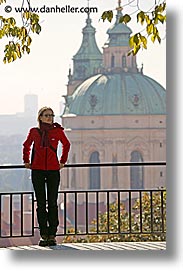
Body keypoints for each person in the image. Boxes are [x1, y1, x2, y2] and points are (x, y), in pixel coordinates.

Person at [23, 107, 70, 246]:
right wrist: (26, 160)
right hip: (37, 170)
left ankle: (52, 234)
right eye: (46, 115)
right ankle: (43, 234)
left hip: (53, 171)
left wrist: (62, 161)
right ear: (40, 117)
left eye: (51, 115)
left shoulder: (58, 131)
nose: (49, 117)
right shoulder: (34, 132)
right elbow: (26, 145)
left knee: (53, 203)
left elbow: (66, 145)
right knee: (41, 204)